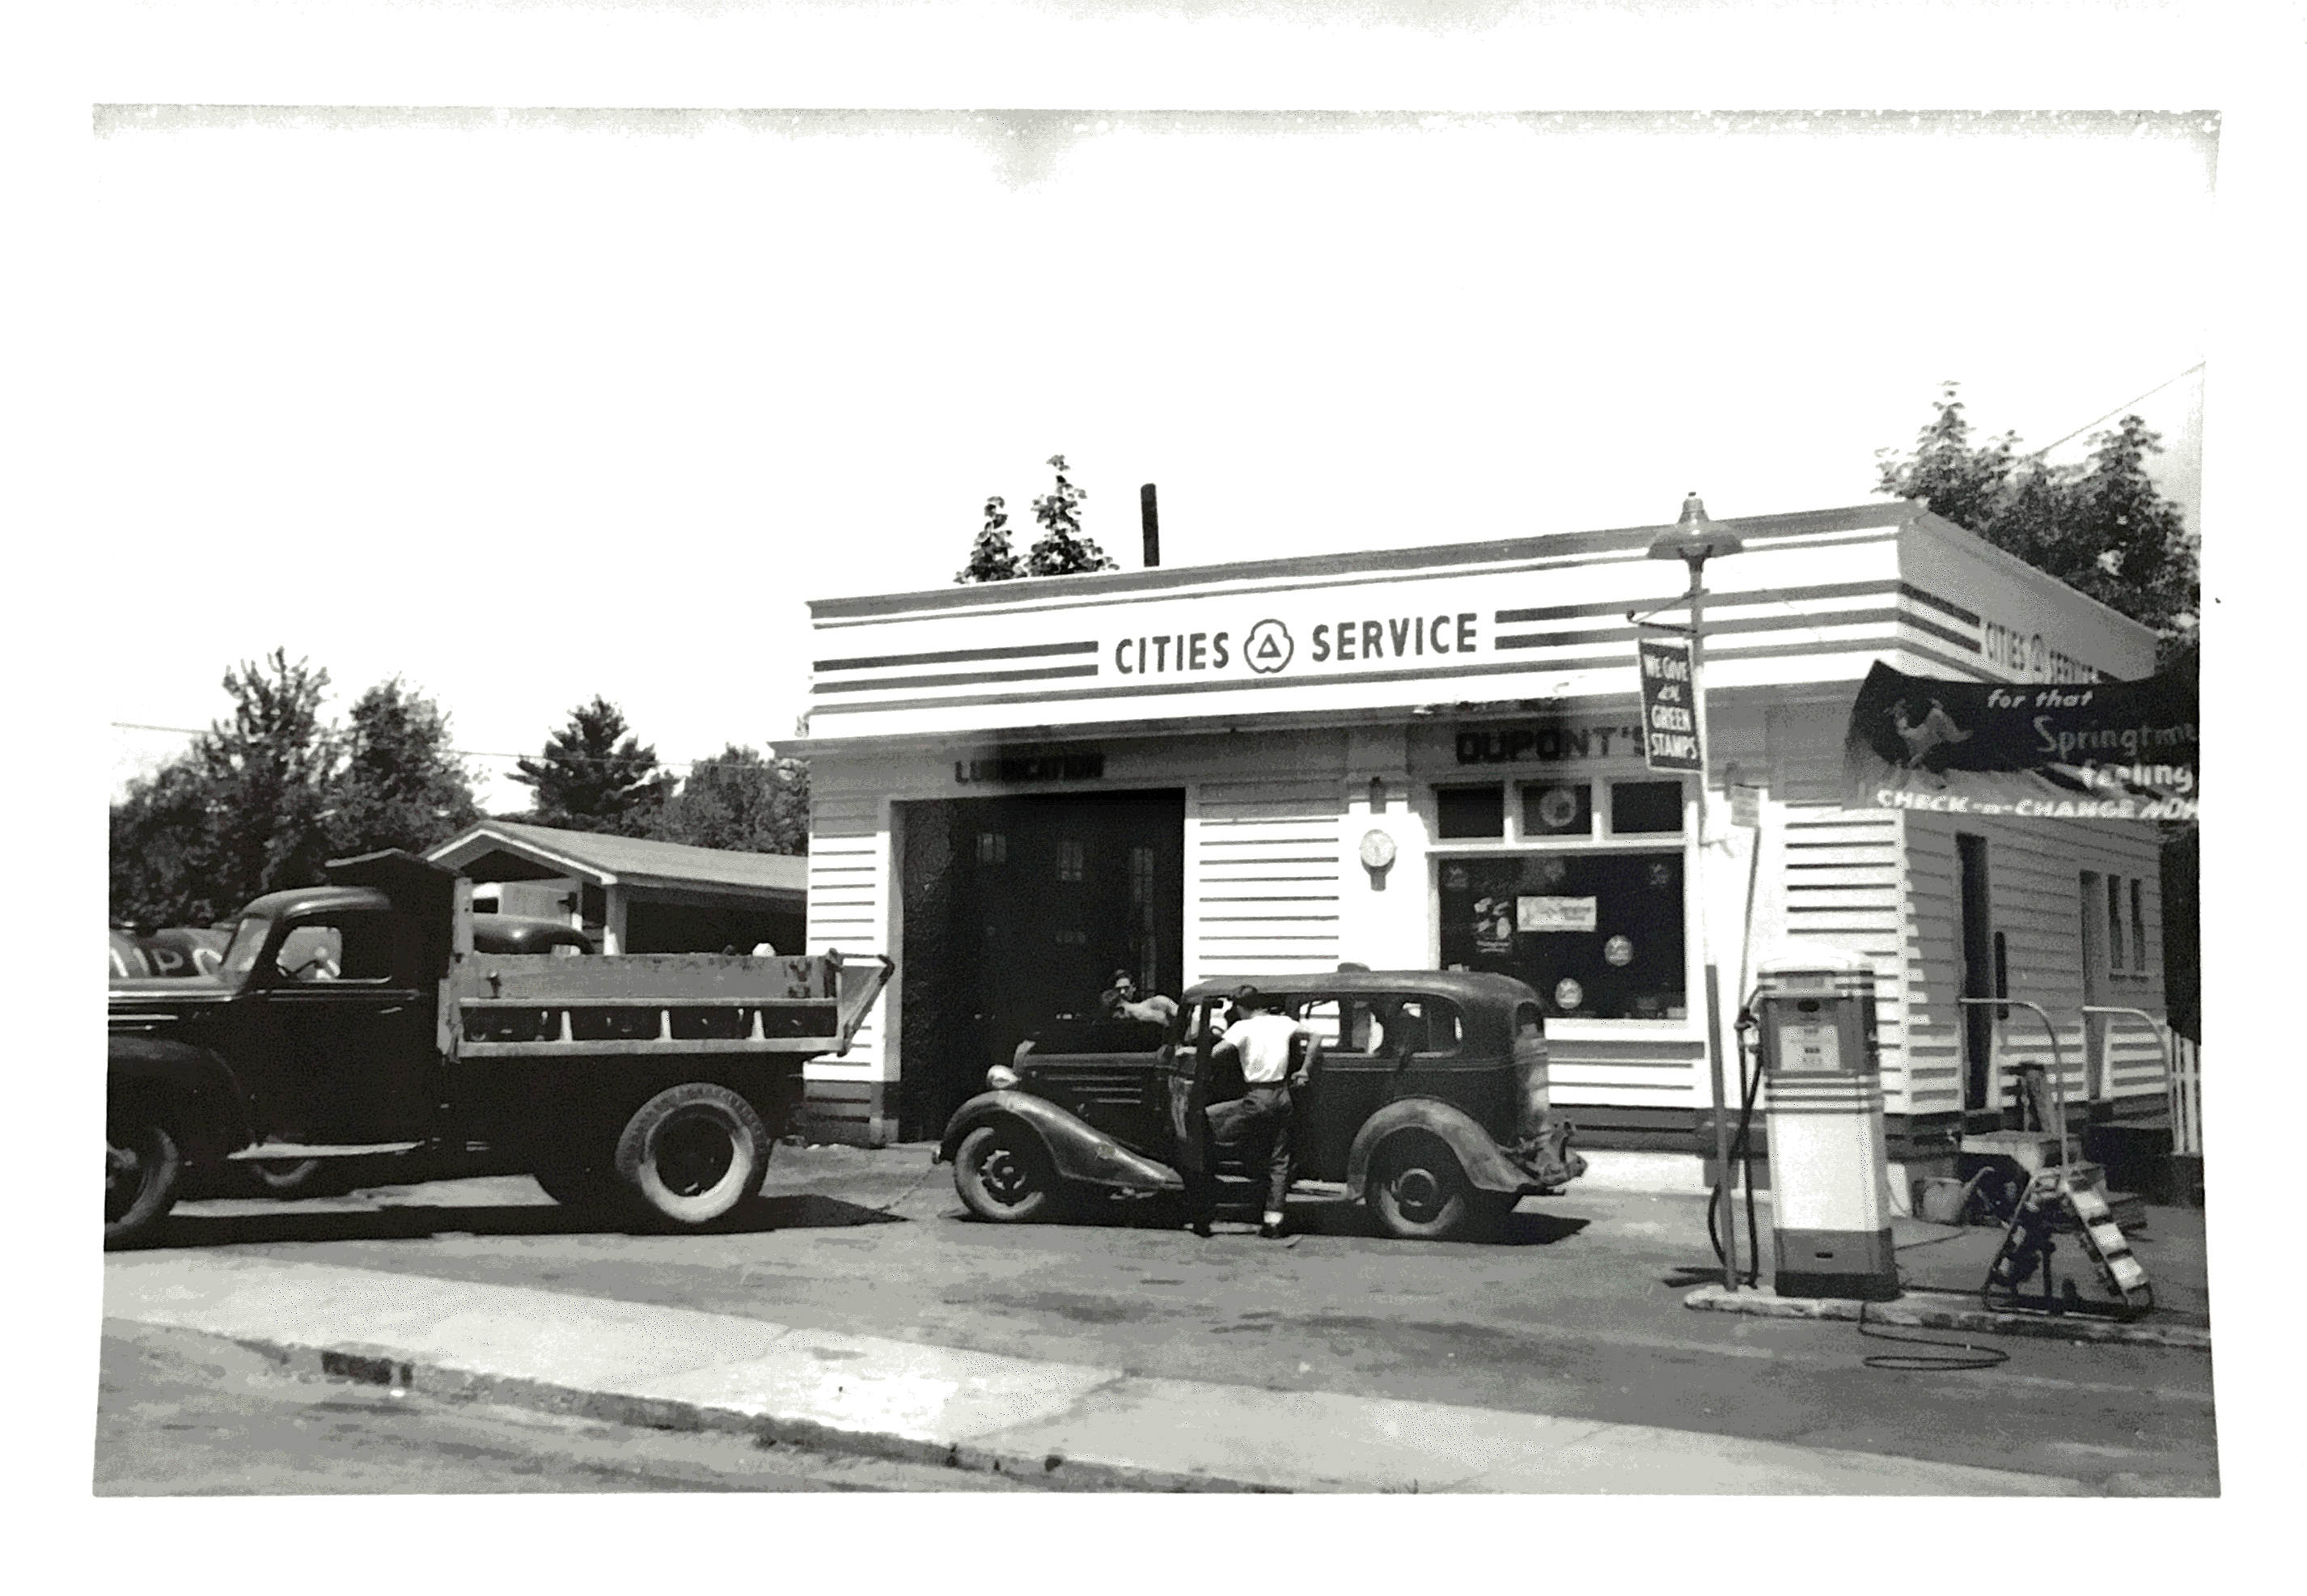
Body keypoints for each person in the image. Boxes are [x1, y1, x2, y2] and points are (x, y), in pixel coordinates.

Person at [1201, 984, 1320, 1239]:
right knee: (1279, 1159)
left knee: (1208, 1128)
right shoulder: (1282, 1022)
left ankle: (1205, 1210)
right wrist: (1305, 1069)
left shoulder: (1243, 1028)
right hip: (1282, 1095)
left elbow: (1216, 1053)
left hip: (1257, 1096)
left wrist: (1202, 1048)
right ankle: (1273, 1221)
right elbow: (1317, 1035)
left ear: (1241, 1007)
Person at [1099, 969, 1179, 1027]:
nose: (1122, 992)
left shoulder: (1158, 1002)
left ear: (1133, 987)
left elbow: (1182, 1016)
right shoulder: (1112, 1013)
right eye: (1118, 989)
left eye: (1126, 988)